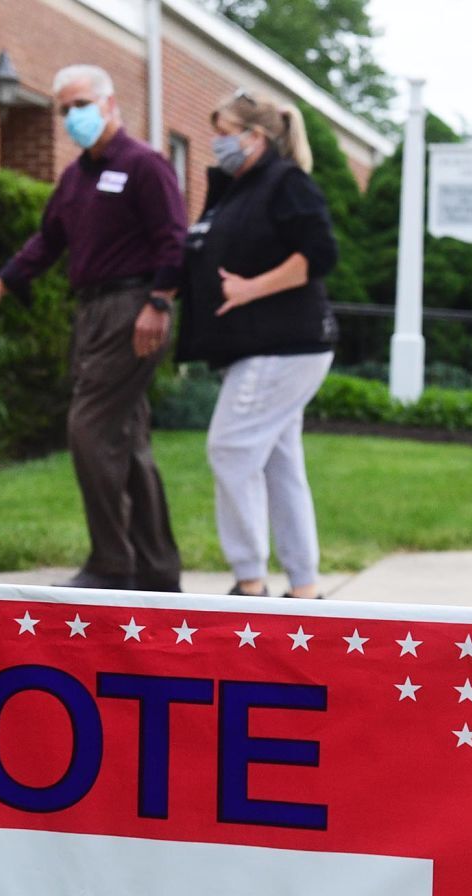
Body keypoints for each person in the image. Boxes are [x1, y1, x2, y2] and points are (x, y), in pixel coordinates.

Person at [0, 64, 186, 592]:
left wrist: (158, 302)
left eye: (81, 105)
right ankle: (157, 571)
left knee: (88, 429)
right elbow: (47, 241)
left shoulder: (144, 165)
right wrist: (0, 284)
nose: (72, 117)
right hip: (92, 312)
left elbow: (174, 240)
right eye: (65, 109)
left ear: (110, 105)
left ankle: (113, 564)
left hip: (133, 308)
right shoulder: (75, 178)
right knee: (127, 440)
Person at [175, 88, 338, 599]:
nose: (214, 144)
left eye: (223, 134)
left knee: (230, 448)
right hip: (262, 348)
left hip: (283, 345)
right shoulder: (233, 188)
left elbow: (320, 254)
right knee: (278, 460)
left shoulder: (286, 183)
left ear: (255, 137)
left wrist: (249, 288)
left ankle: (250, 581)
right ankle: (304, 587)